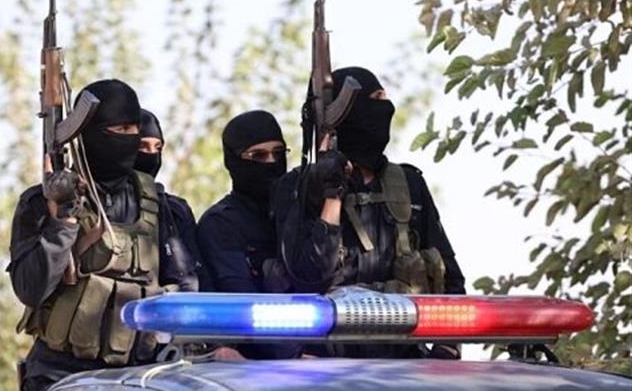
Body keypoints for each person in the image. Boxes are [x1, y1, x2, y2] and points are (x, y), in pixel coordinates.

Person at [8, 79, 196, 391]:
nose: (128, 139)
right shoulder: (42, 202)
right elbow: (30, 288)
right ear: (88, 133)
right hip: (62, 375)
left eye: (133, 130)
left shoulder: (156, 204)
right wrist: (62, 222)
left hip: (141, 375)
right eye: (118, 130)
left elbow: (186, 286)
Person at [272, 66, 466, 359]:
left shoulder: (408, 183)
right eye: (375, 99)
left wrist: (447, 349)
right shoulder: (298, 188)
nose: (386, 108)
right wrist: (332, 195)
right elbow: (309, 277)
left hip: (404, 360)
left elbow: (449, 277)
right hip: (324, 363)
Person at [197, 109, 299, 359]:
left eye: (278, 153)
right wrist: (295, 357)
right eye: (258, 155)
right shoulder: (220, 223)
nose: (271, 163)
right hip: (253, 365)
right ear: (234, 161)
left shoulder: (299, 213)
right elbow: (242, 303)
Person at [134, 108, 207, 291]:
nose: (151, 155)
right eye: (142, 146)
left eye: (157, 148)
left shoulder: (175, 210)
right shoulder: (98, 203)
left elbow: (196, 278)